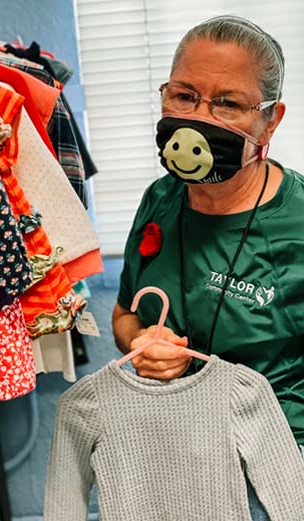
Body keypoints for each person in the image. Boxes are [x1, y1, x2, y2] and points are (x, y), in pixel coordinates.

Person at [113, 15, 304, 520]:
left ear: (271, 119)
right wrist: (141, 343)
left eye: (228, 104)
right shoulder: (160, 199)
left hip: (272, 472)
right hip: (166, 455)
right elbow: (124, 315)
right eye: (183, 96)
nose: (200, 119)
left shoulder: (298, 223)